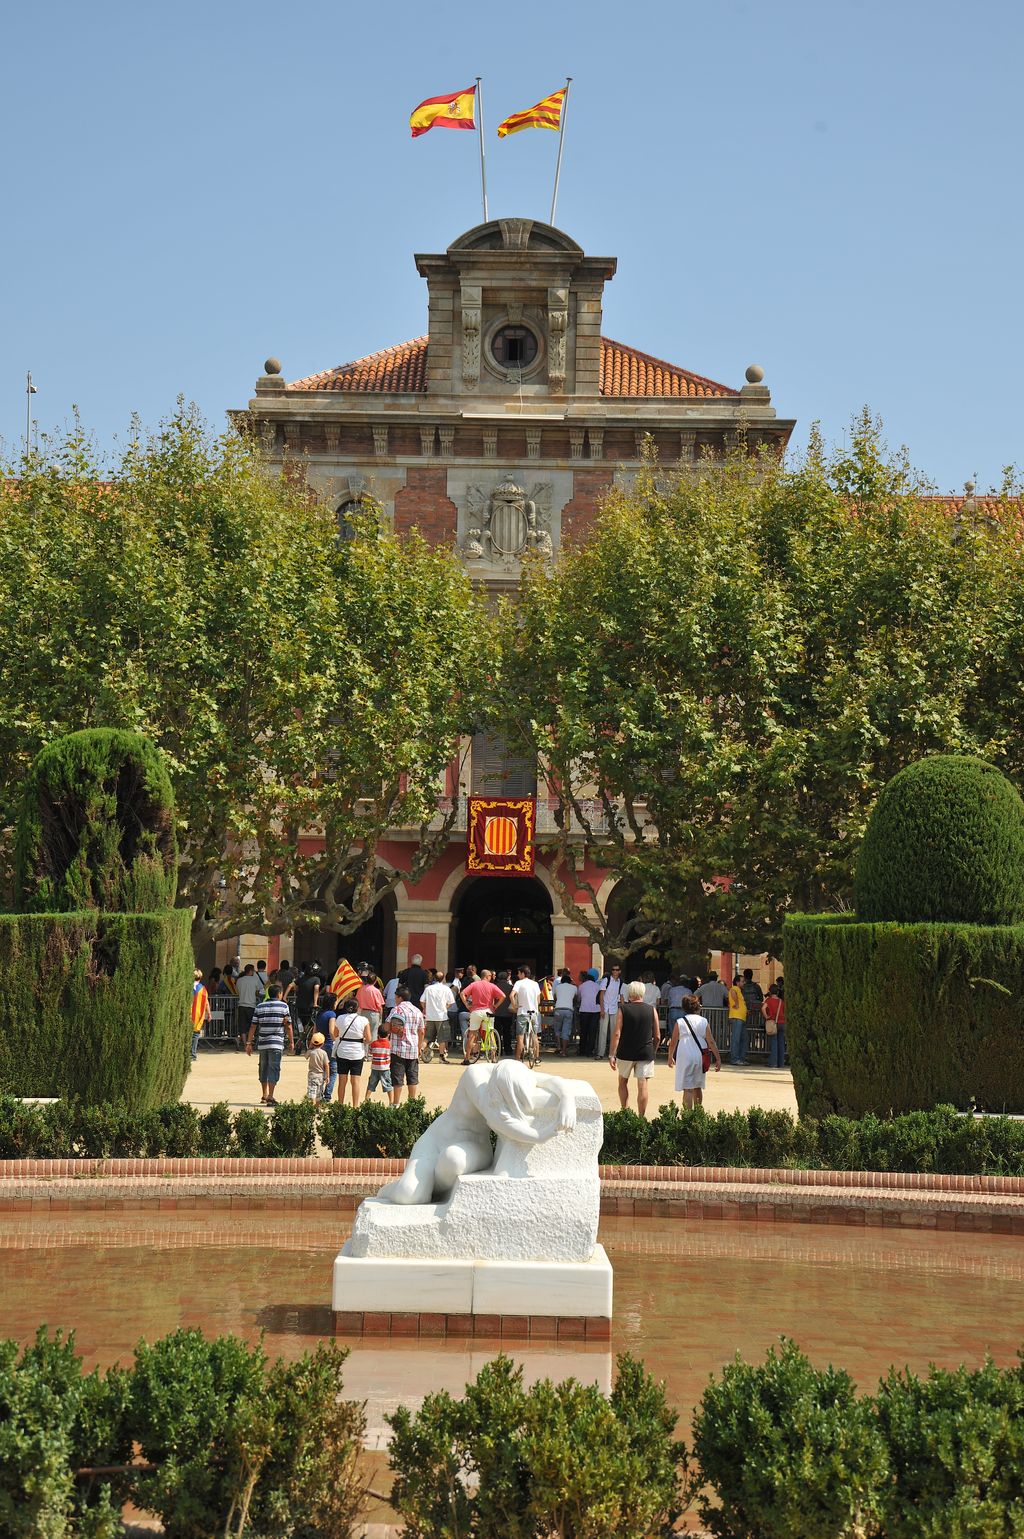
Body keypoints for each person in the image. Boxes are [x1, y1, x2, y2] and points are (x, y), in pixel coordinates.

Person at [377, 1059, 577, 1206]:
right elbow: (501, 1121)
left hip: (472, 1148)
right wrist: (540, 1136)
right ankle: (392, 1189)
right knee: (408, 1195)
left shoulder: (516, 1074)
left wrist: (567, 1097)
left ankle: (431, 1187)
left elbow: (552, 1080)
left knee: (452, 1159)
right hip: (435, 1140)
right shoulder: (475, 1077)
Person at [609, 979, 660, 1116]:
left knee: (622, 1081)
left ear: (629, 993)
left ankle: (625, 1112)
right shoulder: (651, 1009)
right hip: (645, 1052)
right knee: (642, 1085)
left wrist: (611, 1054)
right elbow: (658, 1036)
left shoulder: (623, 1009)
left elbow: (617, 1033)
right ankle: (641, 1117)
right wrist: (653, 1051)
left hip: (625, 1051)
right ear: (642, 993)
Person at [668, 992, 721, 1108]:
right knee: (698, 1086)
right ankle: (697, 1114)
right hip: (700, 1054)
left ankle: (688, 1117)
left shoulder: (680, 1022)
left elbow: (673, 1042)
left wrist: (670, 1056)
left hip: (685, 1054)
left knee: (688, 1089)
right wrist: (718, 1058)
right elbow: (711, 1041)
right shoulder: (703, 1021)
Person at [245, 982, 294, 1106]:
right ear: (279, 994)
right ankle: (271, 1096)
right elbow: (288, 1026)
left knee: (263, 1068)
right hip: (276, 1043)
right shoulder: (284, 1007)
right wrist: (292, 1041)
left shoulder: (259, 1007)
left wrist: (249, 1043)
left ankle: (264, 1094)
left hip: (263, 1043)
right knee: (274, 1069)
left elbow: (253, 1026)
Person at [386, 987, 425, 1104]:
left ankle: (396, 1104)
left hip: (398, 1048)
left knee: (397, 1079)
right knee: (412, 1078)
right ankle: (412, 1104)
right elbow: (422, 1031)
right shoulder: (417, 1011)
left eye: (396, 997)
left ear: (399, 997)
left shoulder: (396, 1010)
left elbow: (387, 1026)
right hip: (413, 1049)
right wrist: (419, 1048)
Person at [461, 968, 507, 1062]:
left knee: (472, 1035)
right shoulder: (492, 986)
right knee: (490, 1033)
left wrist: (467, 1004)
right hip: (488, 1011)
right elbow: (503, 996)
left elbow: (462, 993)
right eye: (490, 976)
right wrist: (496, 1006)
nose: (491, 977)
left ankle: (467, 1058)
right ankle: (493, 1057)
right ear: (487, 976)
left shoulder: (474, 984)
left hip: (476, 1011)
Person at [422, 971, 456, 1062]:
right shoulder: (446, 989)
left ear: (434, 978)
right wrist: (445, 1007)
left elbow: (422, 1000)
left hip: (430, 1016)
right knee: (442, 1038)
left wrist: (425, 1009)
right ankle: (441, 1057)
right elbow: (451, 1002)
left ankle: (419, 1052)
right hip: (442, 1017)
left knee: (427, 1037)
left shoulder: (428, 988)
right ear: (443, 978)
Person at [509, 965, 542, 1061]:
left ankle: (518, 1059)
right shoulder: (535, 984)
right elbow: (538, 1000)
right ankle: (536, 1058)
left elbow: (511, 995)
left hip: (522, 1012)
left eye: (519, 973)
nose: (518, 975)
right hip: (534, 1013)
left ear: (523, 973)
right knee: (534, 1035)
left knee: (520, 1037)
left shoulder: (518, 983)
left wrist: (515, 1006)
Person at [315, 990, 340, 1102]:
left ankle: (319, 1093)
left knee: (321, 1070)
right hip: (330, 1045)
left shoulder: (319, 1013)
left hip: (320, 1045)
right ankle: (327, 1095)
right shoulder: (332, 1014)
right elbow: (331, 1031)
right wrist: (336, 1041)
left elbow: (315, 1031)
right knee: (333, 1071)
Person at [596, 963, 623, 1060]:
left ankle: (613, 1054)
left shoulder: (620, 982)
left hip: (614, 1008)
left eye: (617, 970)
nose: (615, 971)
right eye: (613, 969)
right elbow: (601, 995)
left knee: (614, 1032)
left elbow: (620, 996)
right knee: (603, 1032)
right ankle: (600, 1053)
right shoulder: (606, 980)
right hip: (606, 1008)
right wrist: (602, 1009)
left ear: (619, 971)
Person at [236, 963, 262, 1051]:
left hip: (241, 1005)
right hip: (251, 1005)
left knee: (242, 1026)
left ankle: (244, 1043)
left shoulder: (239, 980)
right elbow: (257, 992)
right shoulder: (254, 980)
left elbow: (237, 991)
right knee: (252, 1025)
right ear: (250, 971)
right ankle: (249, 1042)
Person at [551, 968, 577, 1056]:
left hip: (558, 1009)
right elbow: (576, 999)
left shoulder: (558, 987)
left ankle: (558, 1047)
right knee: (566, 1031)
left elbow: (555, 998)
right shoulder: (574, 987)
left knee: (557, 1029)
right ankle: (564, 1051)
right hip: (569, 1010)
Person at [577, 969, 601, 1057]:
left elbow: (579, 998)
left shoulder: (581, 986)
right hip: (595, 1011)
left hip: (584, 1010)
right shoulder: (597, 986)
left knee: (584, 1031)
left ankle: (582, 1050)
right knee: (592, 1032)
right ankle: (590, 1051)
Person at [740, 968, 765, 1052]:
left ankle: (746, 1049)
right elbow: (761, 998)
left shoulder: (742, 987)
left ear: (744, 976)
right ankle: (753, 1048)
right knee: (754, 1029)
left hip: (745, 1011)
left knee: (745, 1030)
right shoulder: (756, 986)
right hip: (755, 1011)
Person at [367, 1020, 393, 1098]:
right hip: (385, 1068)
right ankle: (391, 1102)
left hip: (375, 1067)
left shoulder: (374, 1044)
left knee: (371, 1084)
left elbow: (370, 1052)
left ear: (378, 1034)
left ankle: (366, 1099)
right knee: (388, 1084)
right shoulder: (389, 1044)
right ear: (388, 1035)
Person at [764, 978, 786, 1068]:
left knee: (774, 1043)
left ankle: (773, 1063)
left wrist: (766, 1016)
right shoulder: (781, 1001)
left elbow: (763, 1008)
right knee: (781, 1043)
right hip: (782, 1023)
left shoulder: (768, 1000)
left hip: (773, 1023)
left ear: (770, 992)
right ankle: (781, 1063)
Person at [727, 974, 748, 1066]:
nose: (744, 983)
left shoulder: (739, 990)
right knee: (736, 1039)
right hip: (737, 1017)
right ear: (737, 982)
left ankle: (741, 1058)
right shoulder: (735, 988)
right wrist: (736, 1003)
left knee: (744, 1039)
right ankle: (735, 1059)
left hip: (741, 1017)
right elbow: (732, 993)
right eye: (742, 981)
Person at [190, 969, 210, 1061]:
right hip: (198, 1015)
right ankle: (193, 1054)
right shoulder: (203, 989)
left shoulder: (188, 987)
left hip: (188, 1013)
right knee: (195, 1035)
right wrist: (209, 1013)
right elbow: (206, 1002)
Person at [306, 1031, 331, 1102]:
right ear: (323, 1044)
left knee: (312, 1093)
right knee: (319, 1094)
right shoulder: (324, 1053)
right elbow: (326, 1065)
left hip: (312, 1075)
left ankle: (312, 1108)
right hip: (321, 1076)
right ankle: (317, 1108)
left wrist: (310, 1047)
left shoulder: (311, 1052)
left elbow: (306, 1056)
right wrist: (327, 1076)